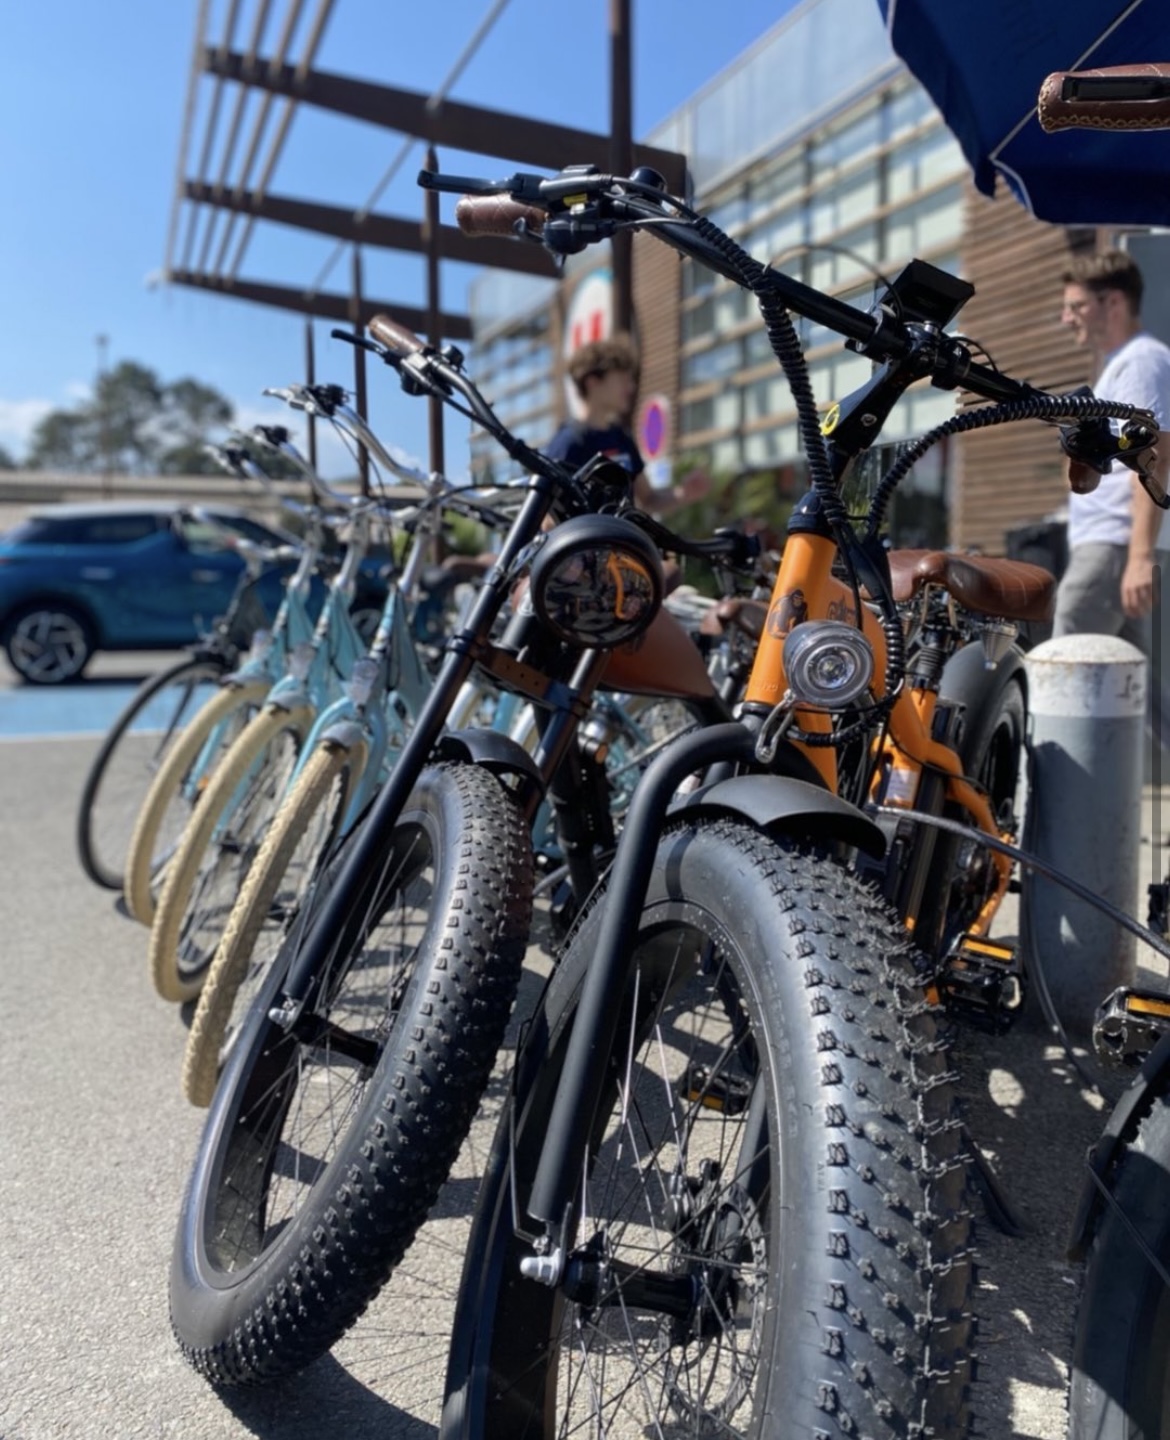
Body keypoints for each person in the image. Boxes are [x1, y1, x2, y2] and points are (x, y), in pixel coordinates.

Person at [1054, 248, 1170, 760]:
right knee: (1149, 699)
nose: (1067, 318)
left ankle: (1053, 803)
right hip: (1111, 545)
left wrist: (1139, 556)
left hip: (1112, 546)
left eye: (1077, 306)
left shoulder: (1141, 361)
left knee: (1066, 666)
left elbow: (1157, 457)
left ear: (1113, 302)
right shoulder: (1116, 370)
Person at [544, 334, 708, 515]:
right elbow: (548, 516)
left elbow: (649, 499)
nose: (630, 388)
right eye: (623, 380)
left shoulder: (621, 438)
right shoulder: (569, 443)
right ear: (592, 382)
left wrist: (683, 493)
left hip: (623, 542)